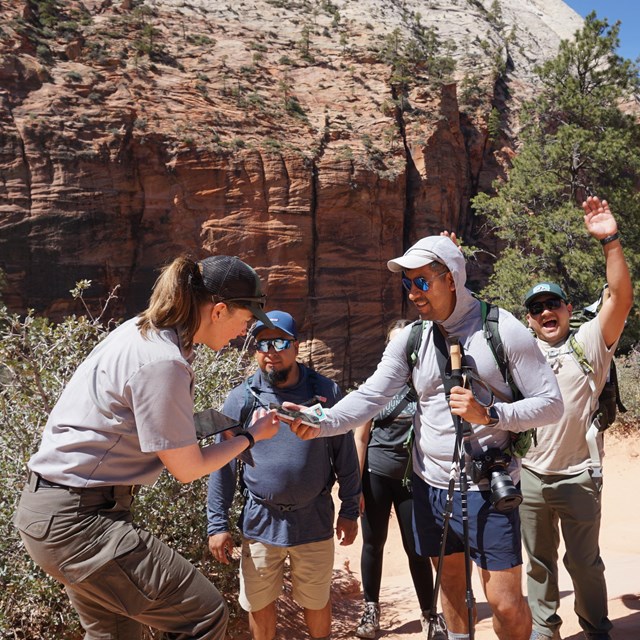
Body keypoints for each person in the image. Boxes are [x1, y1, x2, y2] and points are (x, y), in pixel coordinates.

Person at [288, 235, 564, 640]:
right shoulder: (412, 338)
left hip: (488, 486)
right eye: (407, 284)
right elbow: (371, 395)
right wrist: (323, 421)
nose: (413, 293)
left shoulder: (501, 329)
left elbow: (552, 404)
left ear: (450, 278)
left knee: (505, 603)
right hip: (429, 486)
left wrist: (490, 414)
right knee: (451, 586)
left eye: (421, 282)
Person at [13, 255, 281, 640]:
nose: (246, 333)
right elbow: (187, 469)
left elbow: (131, 422)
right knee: (202, 616)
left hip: (54, 514)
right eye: (247, 320)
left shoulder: (140, 333)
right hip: (79, 524)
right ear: (219, 310)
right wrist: (251, 437)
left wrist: (219, 425)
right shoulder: (163, 362)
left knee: (116, 635)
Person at [207, 310, 361, 640]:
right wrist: (217, 524)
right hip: (261, 521)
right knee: (260, 603)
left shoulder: (324, 393)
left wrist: (350, 510)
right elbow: (222, 464)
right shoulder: (241, 399)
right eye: (262, 343)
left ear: (296, 346)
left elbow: (344, 454)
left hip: (313, 519)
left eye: (280, 342)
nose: (270, 351)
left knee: (316, 600)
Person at [520, 196, 633, 640]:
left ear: (568, 309)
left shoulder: (587, 344)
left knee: (584, 562)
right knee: (539, 562)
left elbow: (621, 298)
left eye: (554, 304)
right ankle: (544, 630)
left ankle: (595, 628)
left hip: (578, 475)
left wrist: (610, 240)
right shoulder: (520, 353)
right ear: (529, 319)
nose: (546, 312)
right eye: (537, 308)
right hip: (530, 474)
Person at [353, 319, 447, 640]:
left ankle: (429, 614)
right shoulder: (377, 386)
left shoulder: (426, 387)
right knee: (373, 543)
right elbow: (361, 436)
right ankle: (371, 609)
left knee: (417, 547)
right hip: (376, 475)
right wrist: (355, 487)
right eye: (396, 343)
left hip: (412, 480)